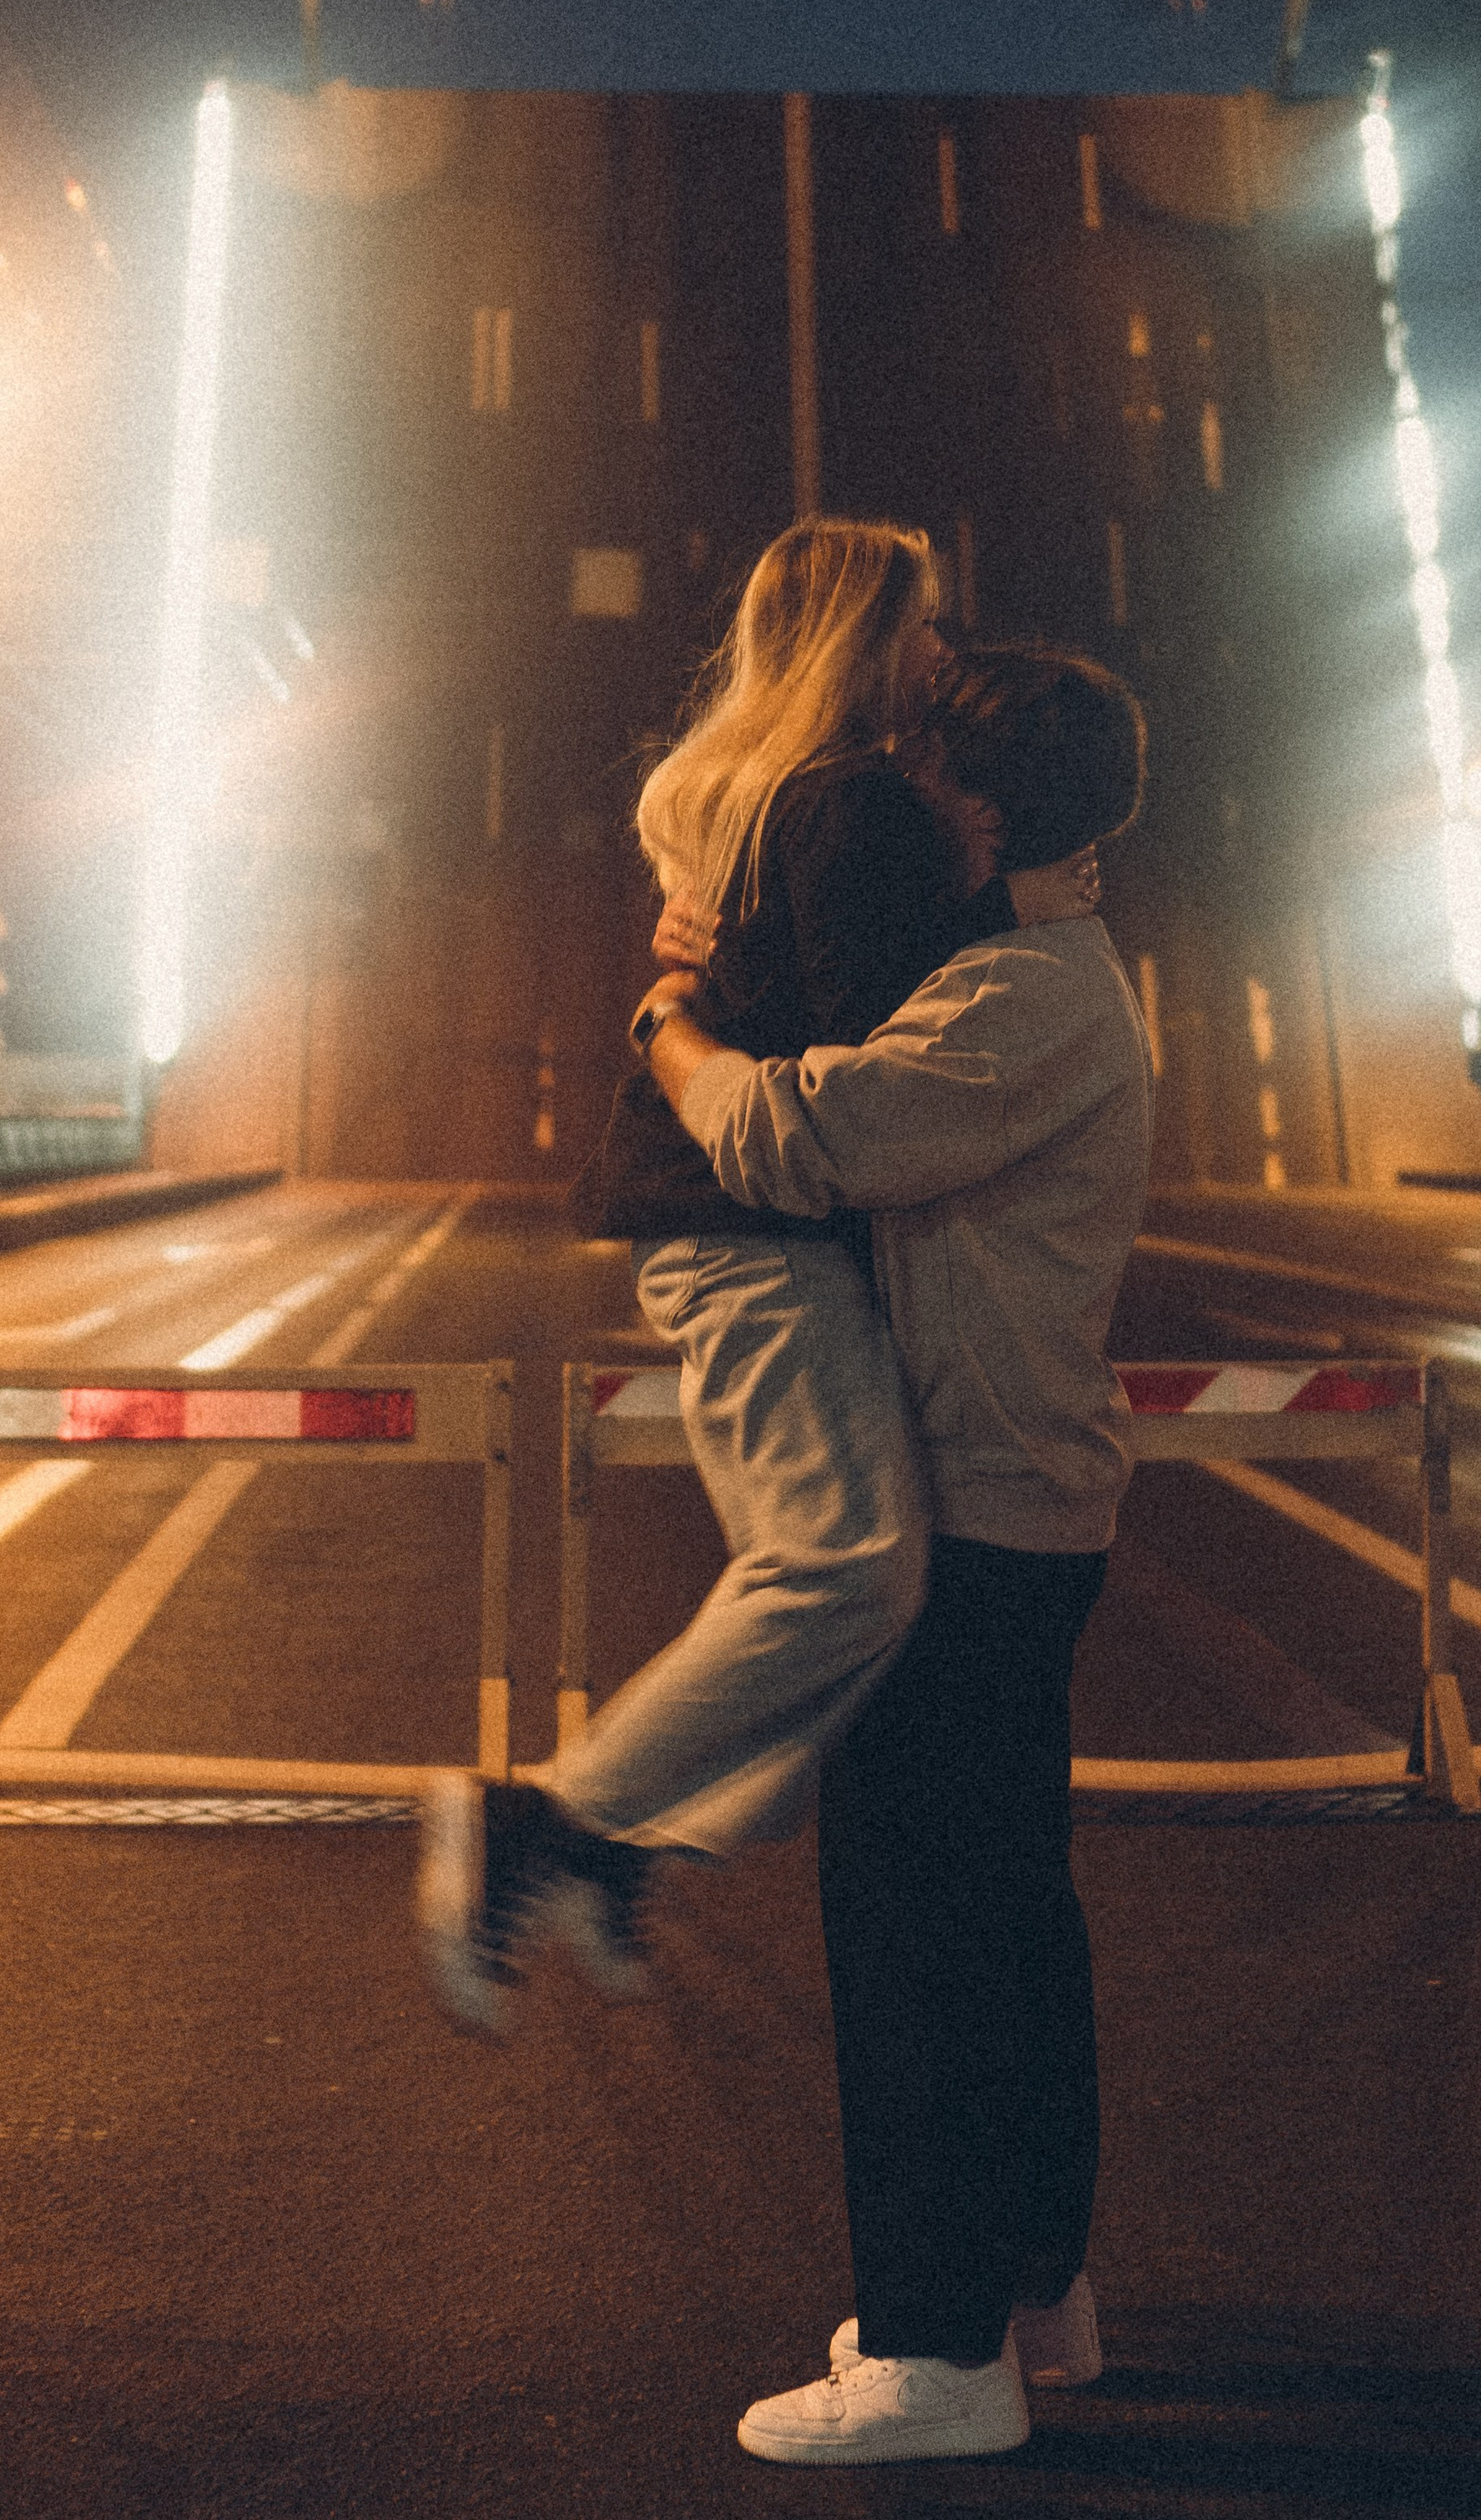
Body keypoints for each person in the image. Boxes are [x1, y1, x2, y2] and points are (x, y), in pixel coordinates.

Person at [416, 522, 1094, 2038]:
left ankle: (619, 1846)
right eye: (924, 629)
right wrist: (990, 888)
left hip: (723, 1227)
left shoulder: (771, 797)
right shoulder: (857, 805)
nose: (944, 656)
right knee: (848, 1568)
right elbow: (884, 1059)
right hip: (754, 1229)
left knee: (850, 1581)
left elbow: (779, 991)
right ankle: (547, 1824)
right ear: (867, 640)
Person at [633, 641, 1153, 2468]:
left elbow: (803, 1139)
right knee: (1007, 1919)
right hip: (1023, 1503)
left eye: (917, 770)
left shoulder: (1019, 994)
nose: (885, 791)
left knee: (915, 1939)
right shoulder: (1034, 970)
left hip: (978, 1507)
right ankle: (1029, 2294)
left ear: (983, 808)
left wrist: (670, 1028)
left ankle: (935, 2362)